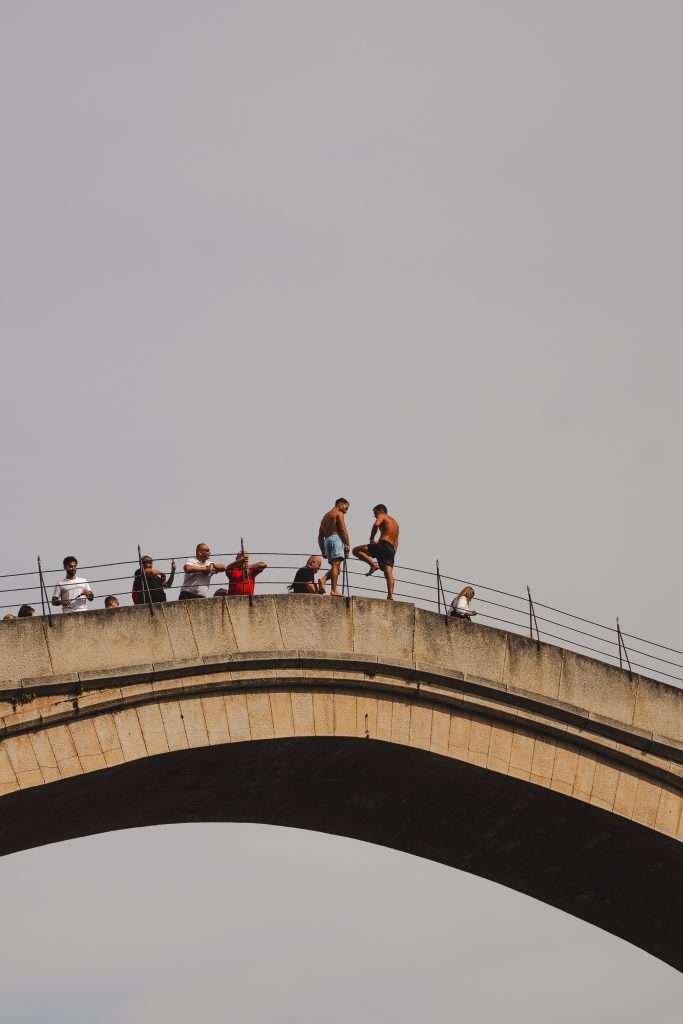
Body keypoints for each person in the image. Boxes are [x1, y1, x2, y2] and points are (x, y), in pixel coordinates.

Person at [353, 504, 399, 600]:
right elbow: (397, 541)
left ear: (380, 511)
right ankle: (390, 595)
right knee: (388, 572)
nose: (375, 515)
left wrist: (371, 538)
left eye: (375, 513)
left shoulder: (382, 515)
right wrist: (393, 552)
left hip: (382, 544)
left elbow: (376, 524)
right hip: (391, 549)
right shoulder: (395, 523)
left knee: (356, 550)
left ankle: (373, 565)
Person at [318, 498, 351, 596]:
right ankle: (334, 590)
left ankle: (323, 579)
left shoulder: (325, 517)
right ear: (340, 504)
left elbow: (320, 536)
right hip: (336, 539)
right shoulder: (338, 514)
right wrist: (347, 544)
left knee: (337, 568)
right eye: (346, 507)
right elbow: (343, 530)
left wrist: (323, 550)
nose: (346, 511)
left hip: (327, 541)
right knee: (336, 565)